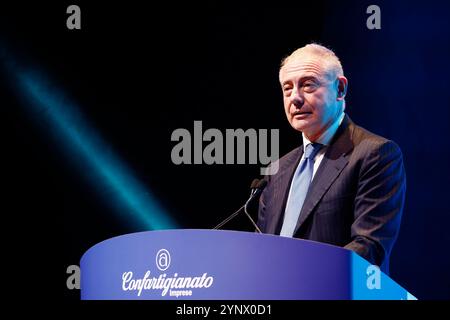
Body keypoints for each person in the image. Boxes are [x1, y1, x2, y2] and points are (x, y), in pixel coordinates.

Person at [257, 43, 406, 274]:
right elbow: (260, 251)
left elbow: (369, 247)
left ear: (340, 88)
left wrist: (297, 279)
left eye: (307, 85)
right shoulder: (276, 170)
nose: (295, 98)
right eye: (287, 88)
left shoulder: (375, 154)